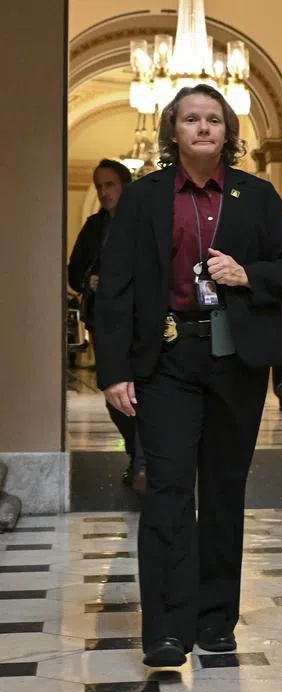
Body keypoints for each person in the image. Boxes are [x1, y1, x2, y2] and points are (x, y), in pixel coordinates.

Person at [96, 84, 282, 668]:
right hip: (165, 360)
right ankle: (165, 628)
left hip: (234, 362)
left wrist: (247, 275)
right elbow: (113, 289)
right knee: (166, 489)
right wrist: (113, 369)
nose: (203, 128)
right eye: (190, 119)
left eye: (213, 119)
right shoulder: (143, 199)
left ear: (227, 132)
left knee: (222, 491)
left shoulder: (257, 196)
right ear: (173, 131)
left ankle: (216, 620)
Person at [67, 159, 146, 490]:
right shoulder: (93, 227)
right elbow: (74, 272)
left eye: (109, 184)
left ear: (124, 185)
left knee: (144, 390)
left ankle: (145, 463)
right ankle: (136, 455)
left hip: (142, 319)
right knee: (115, 393)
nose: (103, 192)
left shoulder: (144, 222)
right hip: (103, 319)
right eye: (98, 186)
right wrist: (92, 281)